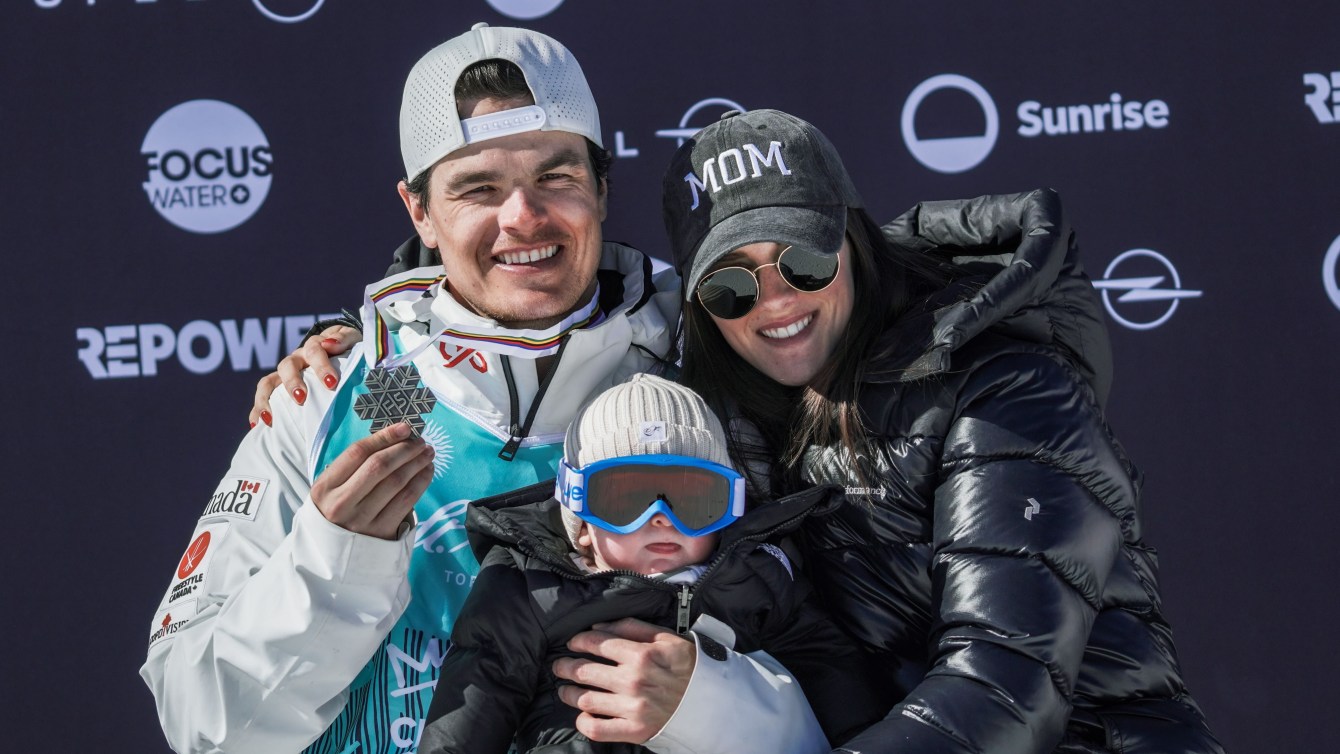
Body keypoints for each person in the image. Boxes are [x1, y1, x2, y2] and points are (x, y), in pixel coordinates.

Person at [141, 25, 833, 754]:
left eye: (555, 178)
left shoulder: (713, 368)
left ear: (601, 186)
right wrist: (335, 565)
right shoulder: (332, 394)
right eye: (478, 187)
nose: (523, 218)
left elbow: (849, 675)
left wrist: (709, 704)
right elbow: (202, 724)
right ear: (420, 213)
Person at [659, 108, 1224, 753]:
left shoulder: (1009, 390)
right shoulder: (736, 433)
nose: (777, 299)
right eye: (731, 285)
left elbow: (1003, 686)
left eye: (803, 260)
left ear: (854, 240)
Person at [418, 373, 888, 753]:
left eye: (693, 498)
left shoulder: (756, 577)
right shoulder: (529, 589)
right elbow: (480, 690)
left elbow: (830, 670)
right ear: (580, 520)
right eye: (625, 498)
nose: (662, 520)